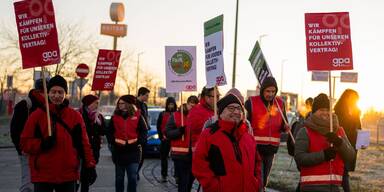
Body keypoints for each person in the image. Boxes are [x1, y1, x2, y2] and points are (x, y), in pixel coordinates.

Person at [20, 75, 97, 192]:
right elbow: (24, 143)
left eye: (60, 92)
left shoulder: (75, 116)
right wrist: (41, 144)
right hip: (43, 174)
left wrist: (90, 165)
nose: (57, 95)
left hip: (68, 174)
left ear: (65, 94)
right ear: (48, 93)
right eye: (53, 92)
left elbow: (84, 143)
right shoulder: (37, 115)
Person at [192, 91, 262, 192]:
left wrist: (256, 183)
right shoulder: (209, 135)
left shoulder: (248, 137)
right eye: (231, 108)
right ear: (221, 113)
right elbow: (199, 165)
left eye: (239, 109)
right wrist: (215, 187)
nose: (236, 112)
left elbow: (257, 163)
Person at [294, 93, 356, 192]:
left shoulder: (339, 130)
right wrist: (324, 155)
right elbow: (299, 158)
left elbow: (351, 156)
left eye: (327, 110)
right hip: (311, 187)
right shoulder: (305, 131)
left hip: (335, 187)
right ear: (314, 112)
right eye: (321, 110)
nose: (325, 113)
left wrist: (340, 143)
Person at [244, 76, 289, 190]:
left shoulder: (280, 103)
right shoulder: (251, 102)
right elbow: (244, 124)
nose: (270, 94)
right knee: (259, 180)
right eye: (268, 91)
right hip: (255, 148)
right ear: (262, 90)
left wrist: (286, 127)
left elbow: (284, 124)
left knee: (264, 181)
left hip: (271, 149)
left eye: (273, 91)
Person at [10, 78, 47, 192]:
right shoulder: (25, 105)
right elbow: (15, 130)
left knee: (42, 184)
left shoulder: (49, 106)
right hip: (27, 151)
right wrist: (20, 149)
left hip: (44, 150)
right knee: (28, 184)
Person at [108, 95, 148, 192]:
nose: (119, 105)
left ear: (128, 104)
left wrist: (139, 142)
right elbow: (109, 131)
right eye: (119, 103)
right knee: (119, 179)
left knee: (132, 178)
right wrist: (112, 142)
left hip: (133, 152)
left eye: (122, 103)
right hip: (119, 152)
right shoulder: (115, 117)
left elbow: (144, 131)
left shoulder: (138, 115)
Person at [166, 95, 199, 192]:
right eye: (191, 106)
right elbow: (167, 132)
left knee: (190, 181)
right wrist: (179, 131)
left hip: (193, 154)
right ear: (187, 104)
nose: (193, 108)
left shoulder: (198, 116)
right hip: (180, 155)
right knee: (183, 182)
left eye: (195, 107)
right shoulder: (176, 115)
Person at [334, 89, 361, 192]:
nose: (355, 102)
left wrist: (362, 140)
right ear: (348, 98)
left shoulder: (356, 112)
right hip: (342, 144)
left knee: (344, 171)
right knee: (344, 172)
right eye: (354, 99)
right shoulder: (338, 111)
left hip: (352, 146)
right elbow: (339, 129)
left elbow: (359, 128)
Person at [79, 94, 106, 192]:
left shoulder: (98, 116)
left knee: (87, 177)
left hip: (94, 149)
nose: (98, 105)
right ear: (89, 104)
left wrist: (99, 123)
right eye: (96, 103)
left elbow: (103, 132)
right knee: (80, 176)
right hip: (82, 149)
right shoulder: (80, 114)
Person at [187, 87, 218, 153]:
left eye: (219, 96)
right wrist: (212, 123)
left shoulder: (217, 110)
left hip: (214, 149)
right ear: (207, 98)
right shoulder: (196, 110)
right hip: (201, 150)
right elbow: (194, 128)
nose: (218, 99)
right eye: (216, 96)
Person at [156, 97, 177, 182]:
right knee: (164, 158)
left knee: (176, 159)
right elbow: (158, 126)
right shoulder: (162, 114)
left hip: (174, 140)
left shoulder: (177, 114)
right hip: (164, 140)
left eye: (172, 104)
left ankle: (177, 176)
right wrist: (161, 137)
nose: (170, 106)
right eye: (169, 104)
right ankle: (164, 175)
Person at [136, 87, 150, 179]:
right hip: (136, 134)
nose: (148, 97)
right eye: (146, 95)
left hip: (144, 133)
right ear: (141, 94)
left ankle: (137, 171)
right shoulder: (134, 104)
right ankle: (134, 172)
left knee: (143, 156)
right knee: (137, 155)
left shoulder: (144, 106)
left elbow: (146, 117)